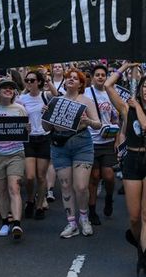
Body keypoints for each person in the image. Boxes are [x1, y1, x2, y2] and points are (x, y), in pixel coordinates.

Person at [104, 63, 146, 277]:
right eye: (144, 86)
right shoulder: (125, 108)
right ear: (139, 88)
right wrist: (125, 66)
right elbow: (108, 85)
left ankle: (143, 260)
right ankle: (141, 246)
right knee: (134, 218)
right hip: (132, 160)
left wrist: (137, 106)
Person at [45, 67, 102, 239]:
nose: (71, 80)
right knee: (65, 185)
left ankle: (84, 218)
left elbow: (98, 125)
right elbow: (46, 127)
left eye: (75, 78)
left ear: (81, 84)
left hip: (81, 144)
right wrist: (46, 115)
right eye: (69, 77)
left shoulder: (86, 101)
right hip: (60, 145)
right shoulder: (56, 101)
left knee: (81, 186)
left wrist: (88, 120)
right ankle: (71, 223)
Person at [0, 78, 29, 240]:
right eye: (5, 88)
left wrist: (26, 129)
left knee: (14, 187)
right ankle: (4, 222)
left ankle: (16, 223)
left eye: (11, 88)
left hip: (16, 153)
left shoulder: (20, 109)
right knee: (1, 190)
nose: (8, 90)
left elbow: (25, 131)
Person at [86, 64, 119, 226]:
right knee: (94, 177)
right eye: (97, 75)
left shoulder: (110, 94)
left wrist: (117, 138)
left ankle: (108, 198)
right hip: (90, 141)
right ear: (92, 77)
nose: (100, 77)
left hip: (107, 141)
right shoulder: (85, 94)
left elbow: (115, 118)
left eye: (103, 75)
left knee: (109, 176)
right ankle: (92, 211)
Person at [17, 70, 51, 220]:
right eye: (27, 80)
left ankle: (39, 205)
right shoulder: (22, 99)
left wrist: (48, 111)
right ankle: (30, 200)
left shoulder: (46, 96)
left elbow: (58, 98)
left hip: (44, 138)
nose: (29, 83)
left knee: (41, 176)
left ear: (39, 82)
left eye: (32, 80)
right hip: (29, 139)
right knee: (30, 176)